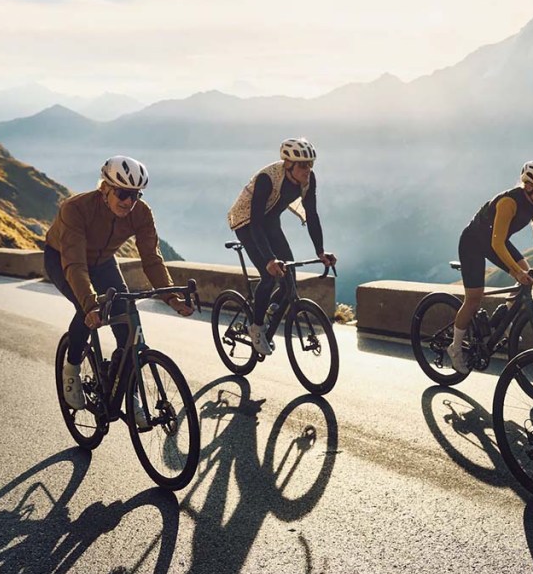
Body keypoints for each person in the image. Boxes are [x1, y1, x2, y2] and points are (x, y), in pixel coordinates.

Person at [44, 155, 195, 427]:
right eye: (123, 194)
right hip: (63, 258)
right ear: (105, 188)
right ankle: (72, 366)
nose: (129, 202)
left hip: (103, 262)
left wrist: (171, 297)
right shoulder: (75, 209)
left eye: (135, 195)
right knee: (87, 307)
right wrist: (90, 304)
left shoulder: (141, 212)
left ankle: (126, 391)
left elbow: (151, 259)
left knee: (129, 333)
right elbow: (76, 264)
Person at [446, 161, 533, 373]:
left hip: (496, 241)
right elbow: (497, 244)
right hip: (473, 243)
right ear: (528, 185)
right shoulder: (509, 202)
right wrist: (515, 272)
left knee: (526, 274)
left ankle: (505, 320)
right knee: (474, 299)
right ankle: (455, 348)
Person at [227, 138, 336, 355]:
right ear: (288, 164)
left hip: (270, 221)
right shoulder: (267, 179)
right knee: (269, 275)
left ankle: (270, 309)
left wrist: (321, 252)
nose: (308, 169)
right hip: (247, 223)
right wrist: (269, 259)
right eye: (302, 165)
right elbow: (256, 222)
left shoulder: (308, 180)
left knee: (289, 277)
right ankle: (256, 328)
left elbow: (312, 215)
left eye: (310, 164)